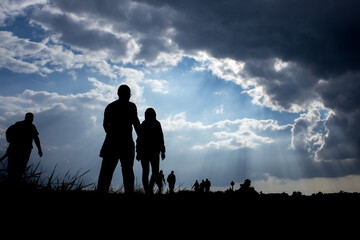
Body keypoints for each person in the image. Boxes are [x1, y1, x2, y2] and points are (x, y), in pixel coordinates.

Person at [97, 85, 141, 194]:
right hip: (124, 143)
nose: (128, 96)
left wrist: (112, 135)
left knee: (107, 173)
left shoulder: (111, 107)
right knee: (127, 173)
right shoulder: (131, 106)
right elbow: (136, 124)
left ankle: (102, 192)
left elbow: (105, 125)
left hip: (113, 143)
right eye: (128, 94)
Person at [4, 112, 43, 186]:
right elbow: (8, 131)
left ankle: (15, 182)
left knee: (20, 167)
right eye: (30, 118)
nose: (31, 119)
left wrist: (39, 149)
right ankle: (12, 182)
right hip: (16, 150)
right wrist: (10, 140)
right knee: (13, 167)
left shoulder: (31, 127)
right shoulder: (19, 124)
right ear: (26, 117)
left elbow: (36, 138)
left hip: (24, 151)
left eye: (32, 118)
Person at [136, 107, 166, 194]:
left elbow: (161, 138)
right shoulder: (152, 124)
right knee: (150, 172)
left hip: (150, 152)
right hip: (151, 152)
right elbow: (161, 138)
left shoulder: (147, 124)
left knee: (149, 172)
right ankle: (148, 190)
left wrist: (162, 151)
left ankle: (148, 189)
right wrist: (162, 151)